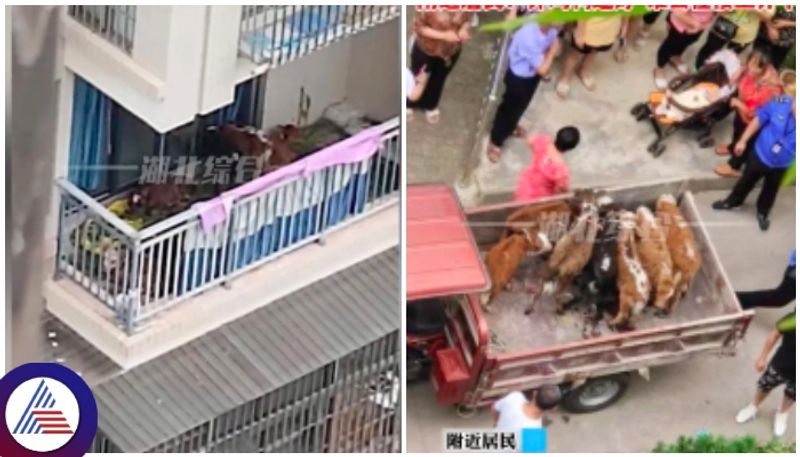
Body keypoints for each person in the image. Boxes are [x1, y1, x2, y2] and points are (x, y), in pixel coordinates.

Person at [712, 75, 795, 231]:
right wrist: (743, 141)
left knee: (771, 189)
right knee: (746, 181)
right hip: (760, 154)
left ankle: (763, 212)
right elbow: (759, 119)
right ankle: (732, 202)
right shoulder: (779, 102)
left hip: (781, 164)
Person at [486, 22, 562, 162]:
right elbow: (543, 69)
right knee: (510, 108)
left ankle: (511, 126)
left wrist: (547, 55)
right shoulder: (529, 36)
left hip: (531, 75)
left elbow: (553, 41)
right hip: (519, 78)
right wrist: (551, 52)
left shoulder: (552, 29)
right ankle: (496, 140)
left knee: (521, 106)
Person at [714, 48, 781, 178]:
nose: (750, 69)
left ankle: (734, 166)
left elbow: (758, 113)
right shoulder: (751, 70)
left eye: (755, 67)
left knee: (745, 140)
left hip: (753, 121)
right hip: (742, 110)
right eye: (750, 63)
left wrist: (739, 104)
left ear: (764, 68)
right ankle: (732, 147)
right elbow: (741, 74)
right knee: (737, 130)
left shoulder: (771, 88)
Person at [735, 311, 795, 437]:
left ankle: (782, 413)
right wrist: (763, 357)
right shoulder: (795, 319)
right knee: (766, 385)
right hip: (782, 363)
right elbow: (775, 333)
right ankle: (753, 406)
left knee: (792, 394)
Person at [407, 11, 471, 124]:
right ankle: (409, 104)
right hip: (425, 49)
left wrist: (463, 30)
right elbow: (419, 27)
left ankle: (430, 105)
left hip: (449, 51)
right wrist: (444, 36)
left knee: (439, 78)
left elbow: (468, 19)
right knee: (417, 77)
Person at [556, 16, 627, 97]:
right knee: (575, 54)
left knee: (595, 51)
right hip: (589, 26)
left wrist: (624, 24)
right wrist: (580, 31)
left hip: (610, 28)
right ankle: (565, 77)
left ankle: (584, 71)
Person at [653, 10, 716, 89]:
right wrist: (694, 23)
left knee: (687, 42)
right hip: (682, 22)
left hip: (701, 23)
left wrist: (705, 24)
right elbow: (677, 11)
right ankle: (659, 69)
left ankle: (675, 56)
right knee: (669, 45)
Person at [514, 127, 580, 202]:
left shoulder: (542, 141)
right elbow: (563, 188)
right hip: (539, 197)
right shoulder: (561, 170)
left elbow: (529, 141)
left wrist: (536, 152)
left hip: (525, 186)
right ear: (570, 148)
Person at [694, 10, 773, 69]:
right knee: (709, 50)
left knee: (728, 59)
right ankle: (697, 72)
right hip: (726, 22)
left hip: (745, 35)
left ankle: (711, 79)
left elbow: (767, 16)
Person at [492, 386, 562, 430]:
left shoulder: (515, 397)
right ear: (553, 409)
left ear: (535, 393)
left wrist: (496, 423)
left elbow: (494, 408)